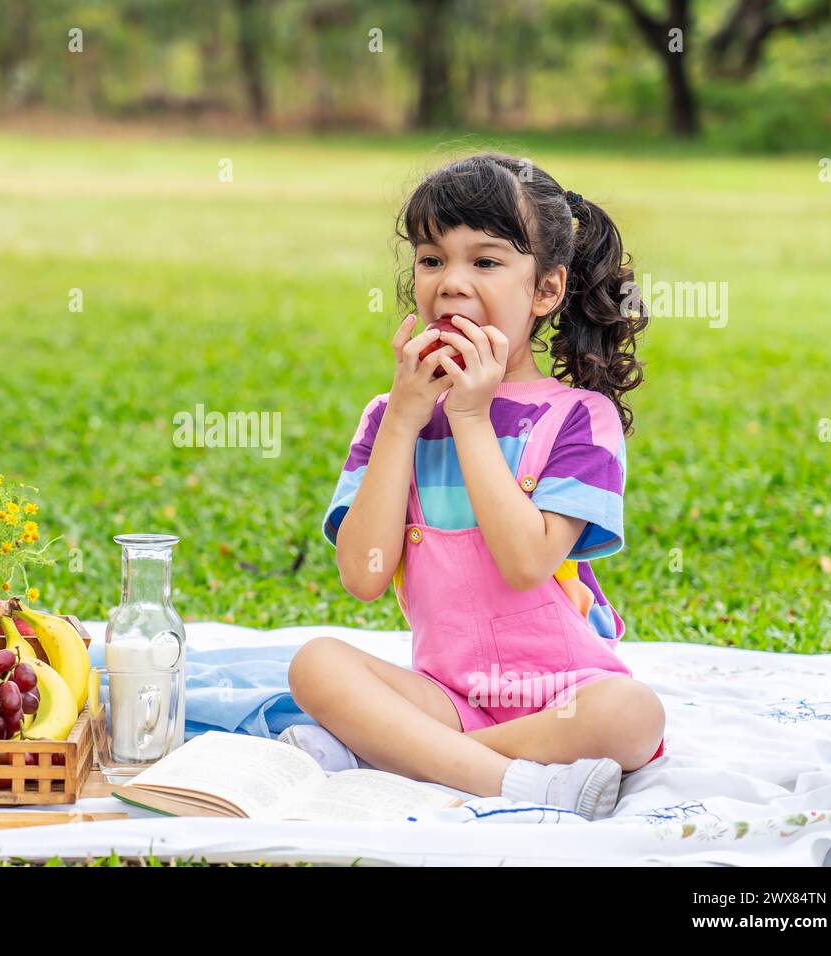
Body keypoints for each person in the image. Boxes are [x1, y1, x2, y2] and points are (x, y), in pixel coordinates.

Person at [283, 152, 664, 820]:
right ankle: (512, 780)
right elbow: (364, 576)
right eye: (432, 260)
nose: (452, 283)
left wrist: (468, 417)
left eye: (485, 262)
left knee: (632, 715)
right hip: (447, 692)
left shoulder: (578, 417)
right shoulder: (391, 416)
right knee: (315, 662)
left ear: (546, 290)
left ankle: (399, 756)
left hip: (561, 697)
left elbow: (525, 564)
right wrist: (404, 419)